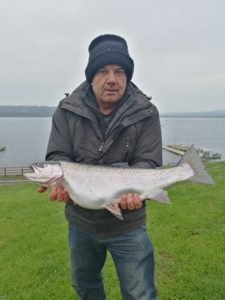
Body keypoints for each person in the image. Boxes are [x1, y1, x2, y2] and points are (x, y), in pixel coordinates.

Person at [39, 34, 162, 300]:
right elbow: (58, 154)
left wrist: (135, 192)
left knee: (140, 293)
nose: (112, 79)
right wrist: (60, 184)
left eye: (119, 71)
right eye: (103, 71)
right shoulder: (66, 110)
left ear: (127, 76)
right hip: (80, 223)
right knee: (86, 288)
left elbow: (149, 162)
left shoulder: (147, 112)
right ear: (91, 76)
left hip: (129, 225)